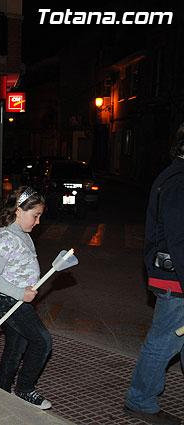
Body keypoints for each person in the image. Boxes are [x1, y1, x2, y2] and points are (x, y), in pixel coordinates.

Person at [123, 125, 184, 425]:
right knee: (163, 342)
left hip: (172, 277)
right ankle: (140, 401)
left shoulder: (172, 177)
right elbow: (179, 239)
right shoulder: (178, 181)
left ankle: (141, 399)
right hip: (176, 281)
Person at [0, 186, 52, 410]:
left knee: (16, 345)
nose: (38, 222)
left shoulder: (21, 234)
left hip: (15, 299)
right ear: (19, 211)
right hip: (8, 301)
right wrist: (20, 292)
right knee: (42, 342)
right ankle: (24, 389)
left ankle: (0, 387)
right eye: (35, 216)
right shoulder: (5, 238)